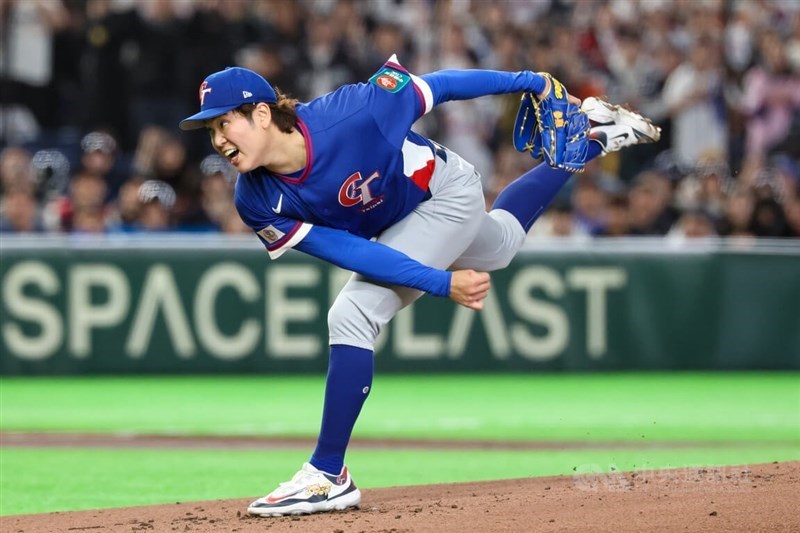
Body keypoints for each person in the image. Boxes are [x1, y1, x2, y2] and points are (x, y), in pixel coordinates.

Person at [179, 58, 659, 517]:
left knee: (352, 314)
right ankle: (595, 136)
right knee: (503, 245)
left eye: (225, 123)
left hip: (445, 194)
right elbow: (353, 253)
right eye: (211, 130)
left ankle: (327, 473)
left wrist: (530, 81)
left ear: (262, 114)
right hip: (404, 223)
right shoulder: (256, 198)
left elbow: (441, 85)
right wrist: (438, 281)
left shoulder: (354, 111)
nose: (218, 139)